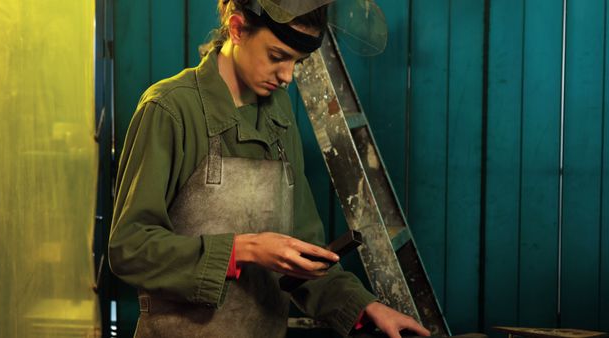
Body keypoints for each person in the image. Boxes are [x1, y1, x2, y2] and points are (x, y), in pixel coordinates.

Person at [108, 0, 431, 337]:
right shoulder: (170, 109)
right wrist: (244, 249)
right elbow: (129, 249)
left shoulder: (279, 118)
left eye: (298, 62)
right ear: (237, 29)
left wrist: (365, 306)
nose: (288, 76)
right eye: (277, 57)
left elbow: (303, 251)